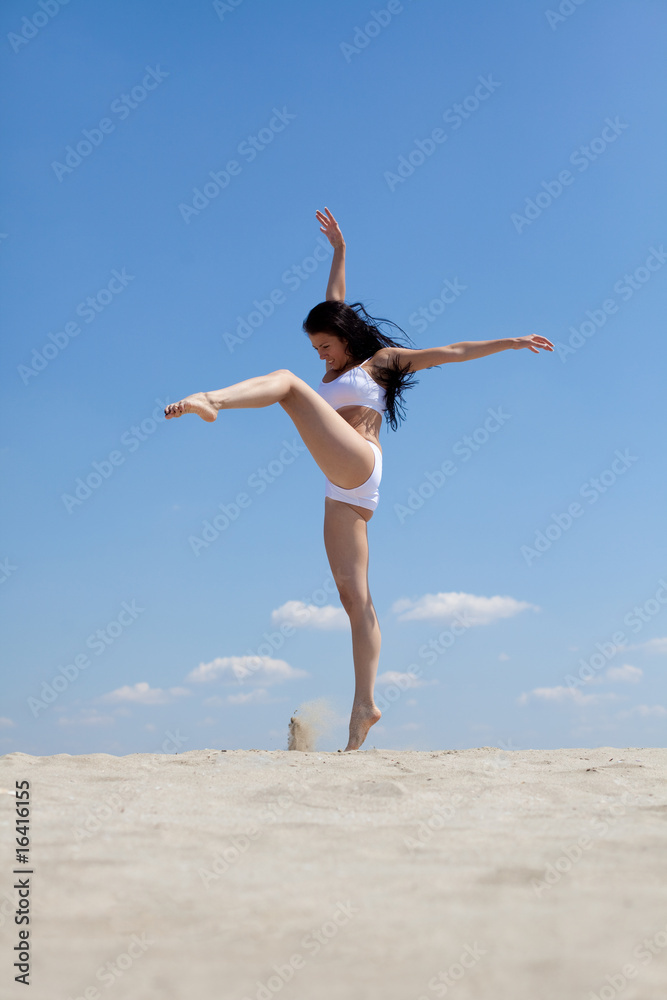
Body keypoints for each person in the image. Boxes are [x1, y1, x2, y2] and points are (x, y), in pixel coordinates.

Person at [165, 207, 554, 750]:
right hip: (341, 487)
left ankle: (211, 401)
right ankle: (364, 708)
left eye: (325, 345)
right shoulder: (334, 363)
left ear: (346, 340)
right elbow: (336, 300)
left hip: (361, 460)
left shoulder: (383, 363)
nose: (321, 355)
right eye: (316, 348)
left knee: (285, 383)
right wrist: (339, 251)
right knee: (356, 599)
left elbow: (453, 353)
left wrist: (509, 343)